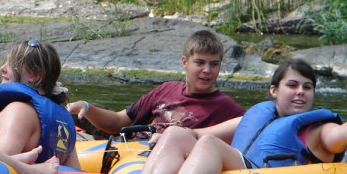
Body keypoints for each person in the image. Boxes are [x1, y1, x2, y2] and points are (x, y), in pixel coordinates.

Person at [137, 58, 347, 174]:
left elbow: (339, 133)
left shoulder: (317, 131)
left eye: (307, 87)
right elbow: (196, 134)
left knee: (210, 145)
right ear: (274, 91)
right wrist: (163, 134)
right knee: (175, 133)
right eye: (292, 85)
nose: (300, 91)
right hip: (238, 164)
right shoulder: (256, 116)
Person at [66, 30, 245, 136]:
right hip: (131, 154)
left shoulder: (227, 109)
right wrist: (87, 107)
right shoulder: (166, 90)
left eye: (214, 64)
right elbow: (118, 122)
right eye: (200, 63)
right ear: (185, 62)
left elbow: (253, 131)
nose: (207, 70)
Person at [0, 39, 81, 168]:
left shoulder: (18, 111)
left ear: (35, 75)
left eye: (12, 64)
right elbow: (75, 172)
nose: (2, 68)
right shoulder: (63, 120)